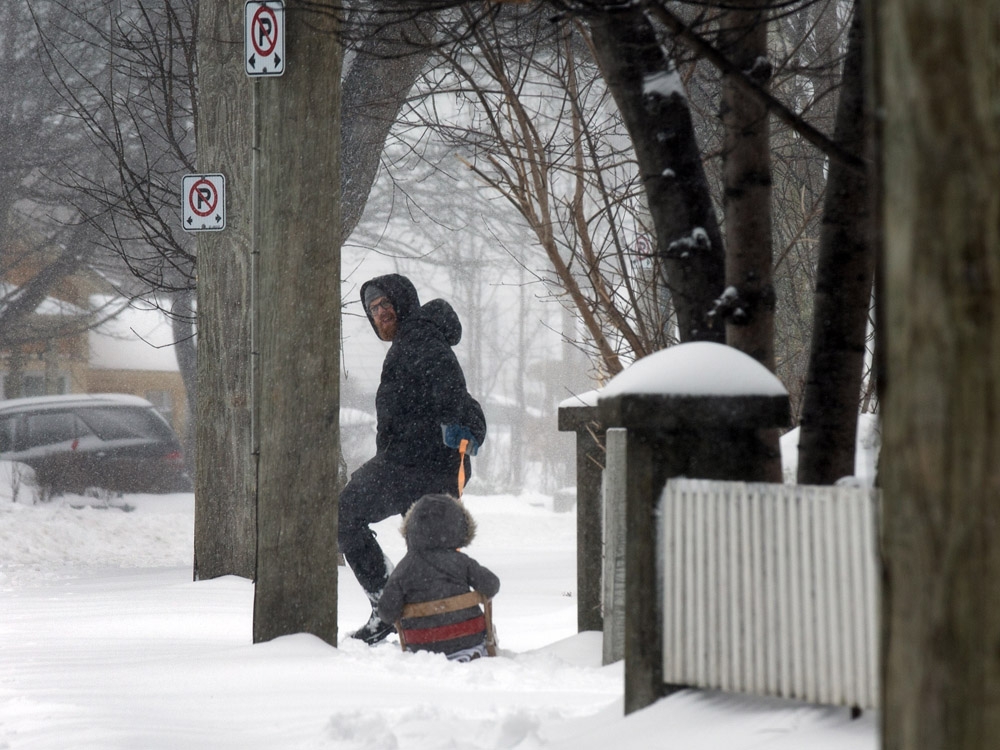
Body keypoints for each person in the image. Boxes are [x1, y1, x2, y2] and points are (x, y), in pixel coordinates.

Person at [341, 273, 487, 645]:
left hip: (421, 466)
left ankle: (391, 606)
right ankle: (414, 619)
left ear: (402, 303)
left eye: (385, 305)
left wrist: (457, 434)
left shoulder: (421, 342)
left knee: (346, 513)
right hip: (409, 463)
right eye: (372, 309)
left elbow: (457, 401)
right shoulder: (411, 343)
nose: (379, 314)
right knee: (426, 552)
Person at [378, 493, 500, 661]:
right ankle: (471, 654)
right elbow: (491, 585)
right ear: (459, 528)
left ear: (411, 529)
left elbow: (386, 612)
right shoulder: (462, 562)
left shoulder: (404, 568)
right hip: (467, 637)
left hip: (421, 645)